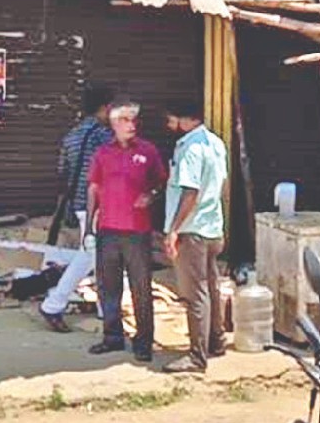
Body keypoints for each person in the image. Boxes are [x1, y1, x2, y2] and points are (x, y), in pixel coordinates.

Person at [86, 99, 165, 363]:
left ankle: (143, 341)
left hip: (137, 231)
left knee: (141, 287)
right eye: (125, 120)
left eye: (134, 120)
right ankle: (112, 337)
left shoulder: (148, 151)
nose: (131, 125)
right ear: (114, 124)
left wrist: (151, 196)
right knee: (108, 287)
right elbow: (93, 189)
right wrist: (88, 226)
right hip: (107, 229)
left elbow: (161, 182)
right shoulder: (102, 154)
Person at [39, 85, 114, 333]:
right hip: (98, 204)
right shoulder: (103, 135)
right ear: (106, 108)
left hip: (80, 203)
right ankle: (53, 304)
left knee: (100, 256)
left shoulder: (72, 135)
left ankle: (106, 309)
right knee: (90, 255)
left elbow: (63, 171)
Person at [162, 99, 228, 374]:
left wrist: (174, 229)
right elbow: (221, 184)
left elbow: (190, 193)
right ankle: (216, 341)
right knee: (210, 287)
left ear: (181, 119)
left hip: (192, 231)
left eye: (170, 120)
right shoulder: (215, 143)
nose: (168, 125)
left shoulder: (189, 148)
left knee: (194, 293)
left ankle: (196, 356)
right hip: (212, 228)